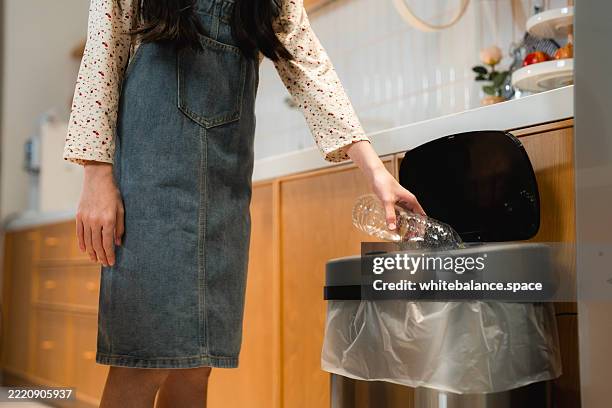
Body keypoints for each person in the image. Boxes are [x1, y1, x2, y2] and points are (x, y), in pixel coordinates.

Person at [63, 0, 424, 406]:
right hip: (149, 183)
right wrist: (95, 175)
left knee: (198, 365)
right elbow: (102, 55)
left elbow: (309, 67)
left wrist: (375, 171)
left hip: (224, 186)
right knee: (142, 360)